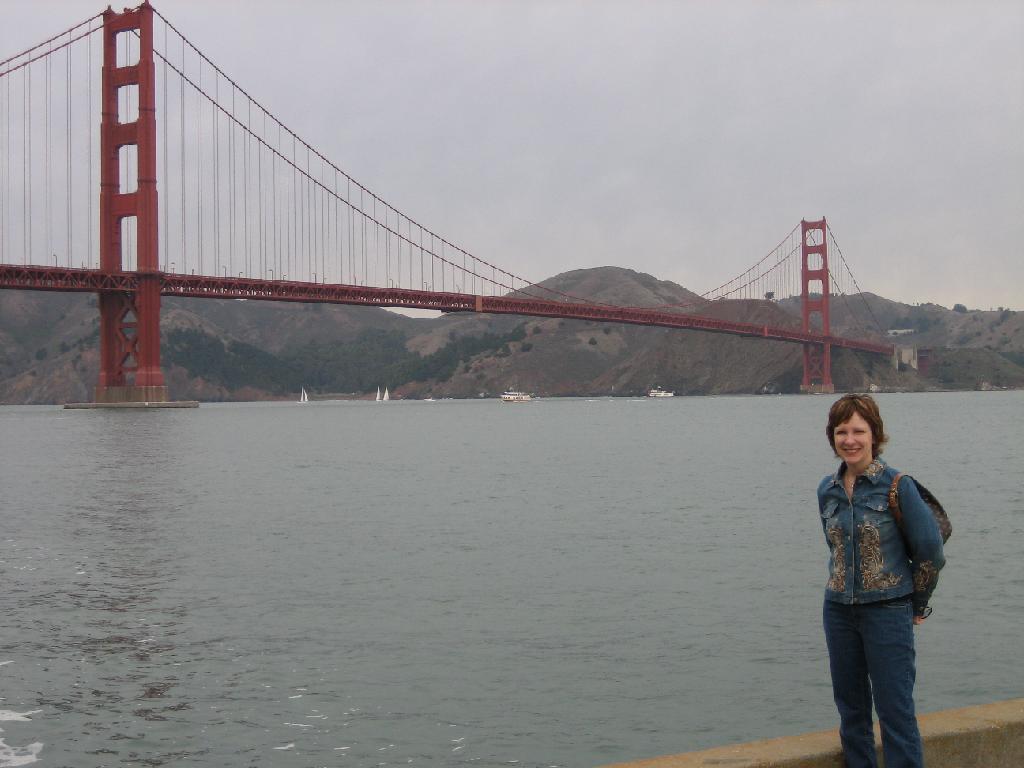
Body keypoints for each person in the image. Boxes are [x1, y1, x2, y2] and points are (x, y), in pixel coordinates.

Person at [818, 394, 945, 768]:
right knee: (851, 711)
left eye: (859, 431)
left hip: (888, 610)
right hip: (838, 610)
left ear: (875, 434)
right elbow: (835, 548)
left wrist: (918, 604)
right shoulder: (827, 489)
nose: (850, 440)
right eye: (842, 432)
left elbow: (931, 551)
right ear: (832, 437)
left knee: (895, 712)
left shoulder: (897, 485)